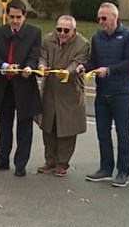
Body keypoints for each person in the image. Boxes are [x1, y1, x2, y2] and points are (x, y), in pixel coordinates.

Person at [77, 2, 129, 188]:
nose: (100, 21)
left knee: (122, 133)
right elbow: (94, 61)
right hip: (102, 92)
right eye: (98, 18)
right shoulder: (97, 38)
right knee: (102, 132)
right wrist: (84, 67)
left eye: (104, 18)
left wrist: (109, 71)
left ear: (114, 17)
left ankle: (123, 171)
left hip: (121, 92)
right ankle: (105, 168)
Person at [0, 0, 42, 177]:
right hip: (5, 85)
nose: (15, 21)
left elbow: (34, 54)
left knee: (24, 126)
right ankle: (3, 159)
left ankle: (20, 164)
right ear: (6, 16)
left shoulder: (34, 33)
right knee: (5, 124)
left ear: (24, 16)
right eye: (12, 17)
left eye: (18, 17)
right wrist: (3, 66)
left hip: (24, 85)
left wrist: (29, 68)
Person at [37, 15, 90, 177]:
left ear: (74, 31)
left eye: (66, 30)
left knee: (67, 128)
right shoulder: (47, 40)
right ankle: (50, 160)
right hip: (50, 90)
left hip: (70, 92)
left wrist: (68, 72)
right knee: (48, 126)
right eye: (58, 29)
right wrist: (42, 65)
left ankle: (62, 163)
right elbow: (42, 56)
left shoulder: (83, 44)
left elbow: (77, 62)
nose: (61, 33)